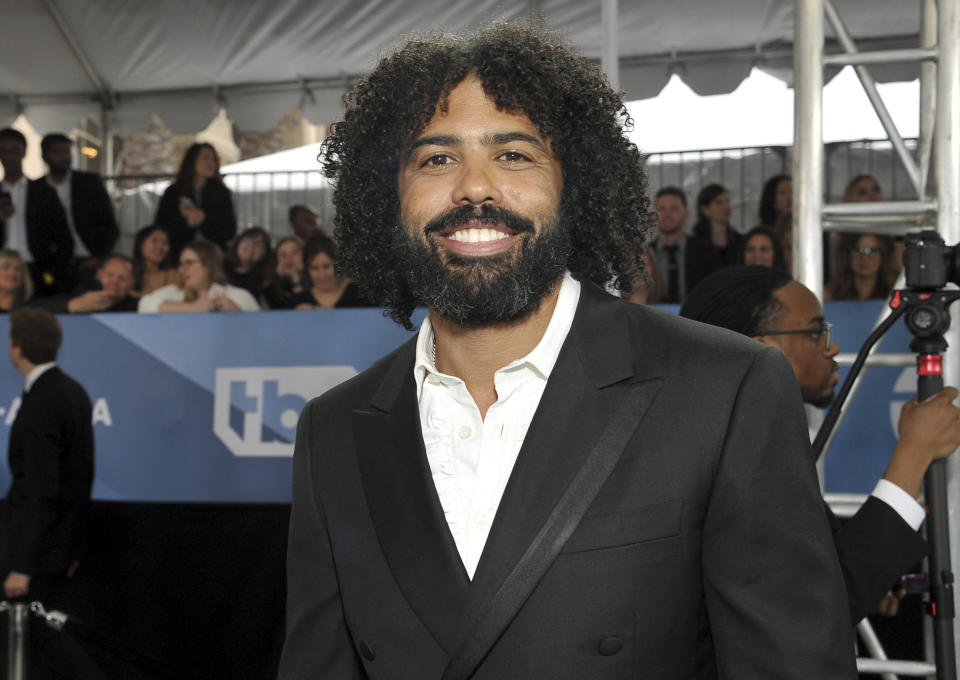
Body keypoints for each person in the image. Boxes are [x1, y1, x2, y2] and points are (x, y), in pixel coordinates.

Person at [279, 23, 855, 679]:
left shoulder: (726, 389)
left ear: (575, 186)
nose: (474, 188)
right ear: (388, 198)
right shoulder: (334, 432)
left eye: (514, 155)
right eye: (436, 159)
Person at [681, 265, 960, 622]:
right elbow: (818, 606)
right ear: (761, 351)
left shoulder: (739, 442)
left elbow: (804, 578)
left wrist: (868, 581)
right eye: (817, 332)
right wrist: (914, 454)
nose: (834, 347)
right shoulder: (731, 465)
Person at [0, 128, 72, 294]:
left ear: (24, 152)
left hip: (36, 267)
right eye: (3, 151)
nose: (8, 156)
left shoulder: (43, 191)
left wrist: (54, 269)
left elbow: (63, 236)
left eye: (14, 150)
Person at [40, 133, 119, 280]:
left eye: (67, 151)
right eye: (57, 152)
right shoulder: (38, 188)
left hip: (91, 259)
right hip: (56, 264)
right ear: (45, 156)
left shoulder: (89, 183)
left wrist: (99, 256)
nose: (64, 157)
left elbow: (109, 224)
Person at [155, 142, 237, 258]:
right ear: (192, 161)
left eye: (214, 159)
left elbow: (229, 230)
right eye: (205, 158)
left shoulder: (221, 193)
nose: (211, 163)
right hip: (179, 254)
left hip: (212, 256)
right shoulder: (173, 192)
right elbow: (162, 226)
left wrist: (204, 219)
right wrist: (187, 223)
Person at [138, 241, 258, 313]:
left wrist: (236, 311)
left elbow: (259, 326)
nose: (182, 269)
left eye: (189, 263)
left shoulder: (237, 295)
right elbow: (144, 305)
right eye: (181, 264)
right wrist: (194, 307)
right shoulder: (176, 292)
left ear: (209, 265)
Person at [648, 186, 720, 303]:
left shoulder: (707, 253)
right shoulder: (645, 256)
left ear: (686, 215)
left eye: (674, 209)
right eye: (661, 209)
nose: (667, 214)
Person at [32, 254, 139, 313]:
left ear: (132, 282)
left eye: (122, 278)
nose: (115, 281)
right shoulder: (82, 294)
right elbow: (32, 307)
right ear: (99, 274)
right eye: (110, 275)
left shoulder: (139, 306)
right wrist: (71, 305)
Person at [292, 234, 371, 309]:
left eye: (326, 266)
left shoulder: (362, 295)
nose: (322, 275)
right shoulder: (298, 301)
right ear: (308, 270)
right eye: (315, 268)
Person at [826, 232, 898, 301]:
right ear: (847, 254)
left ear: (884, 256)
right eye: (858, 250)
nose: (864, 257)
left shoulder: (896, 295)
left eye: (873, 250)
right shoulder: (828, 294)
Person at [691, 182, 742, 267]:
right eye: (719, 202)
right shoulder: (695, 243)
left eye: (728, 201)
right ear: (705, 209)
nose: (727, 206)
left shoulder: (738, 240)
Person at [224, 226, 271, 299]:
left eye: (259, 244)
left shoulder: (265, 282)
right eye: (248, 240)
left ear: (264, 254)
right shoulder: (219, 267)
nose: (252, 246)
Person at [132, 224, 178, 296]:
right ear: (141, 244)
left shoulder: (173, 275)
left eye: (165, 242)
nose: (160, 246)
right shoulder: (128, 273)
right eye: (154, 241)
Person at [261, 236, 304, 309]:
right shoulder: (270, 289)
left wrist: (296, 280)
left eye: (294, 253)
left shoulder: (316, 280)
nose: (289, 259)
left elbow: (306, 311)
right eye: (283, 255)